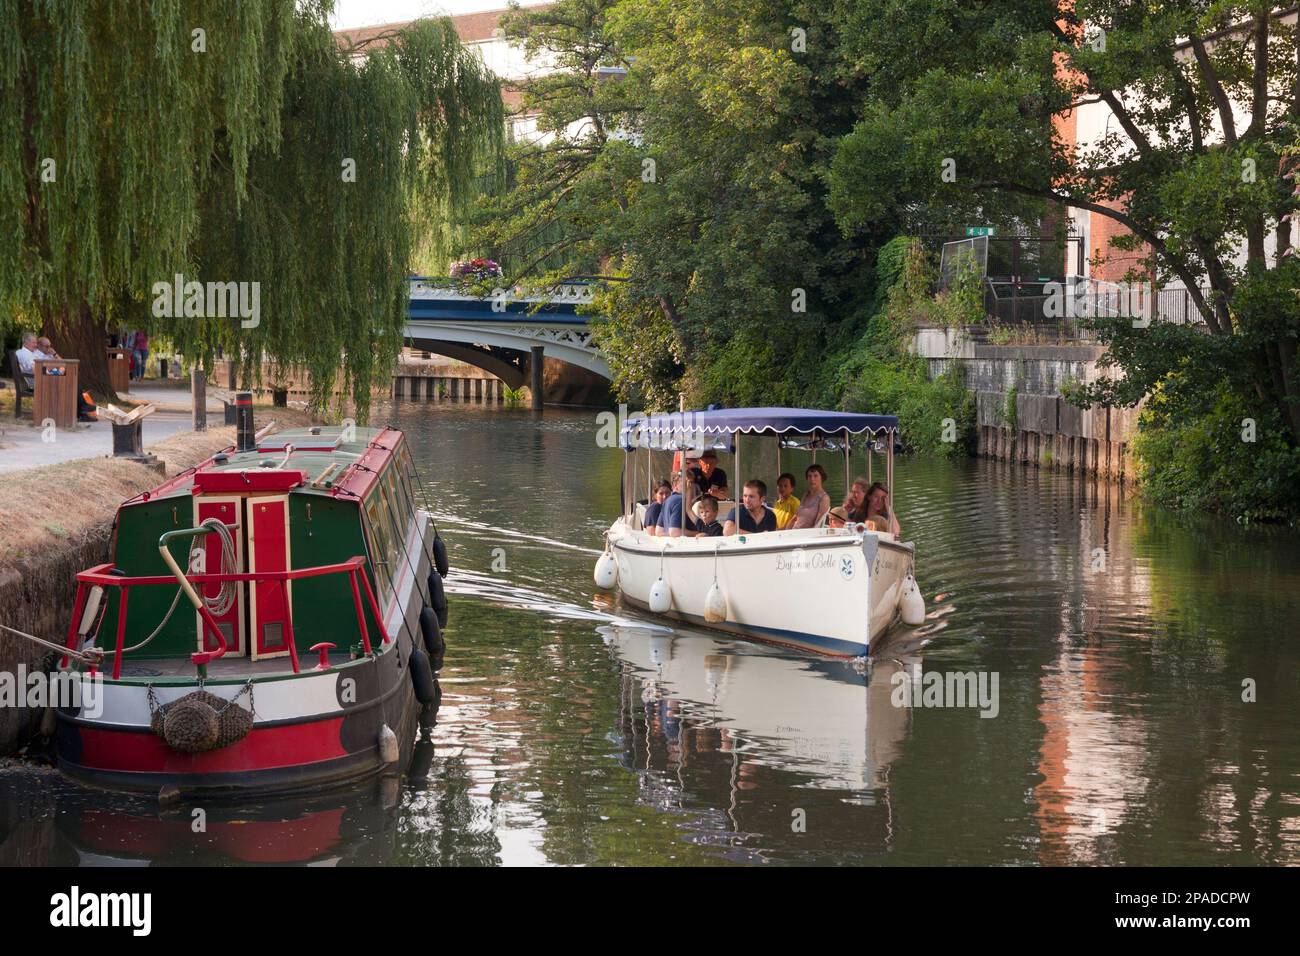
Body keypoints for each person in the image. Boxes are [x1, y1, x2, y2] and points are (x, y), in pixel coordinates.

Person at [791, 464, 831, 528]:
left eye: (815, 476)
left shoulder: (824, 498)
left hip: (806, 535)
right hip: (794, 532)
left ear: (822, 477)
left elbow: (818, 525)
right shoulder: (805, 495)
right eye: (809, 476)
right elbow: (795, 518)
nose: (812, 479)